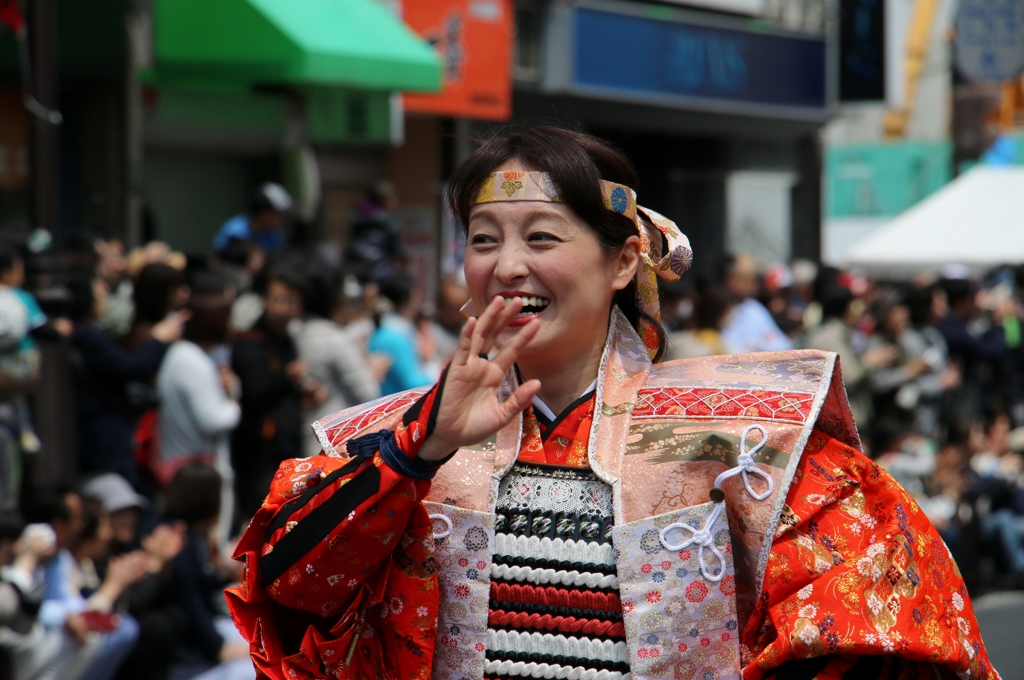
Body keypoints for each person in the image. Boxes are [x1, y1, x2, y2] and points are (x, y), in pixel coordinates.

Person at [226, 127, 995, 679]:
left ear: (624, 259)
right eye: (485, 239)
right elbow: (287, 594)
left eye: (544, 237)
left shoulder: (743, 435)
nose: (508, 266)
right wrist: (415, 453)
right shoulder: (390, 437)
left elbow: (870, 619)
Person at [67, 270, 186, 487]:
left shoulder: (86, 332)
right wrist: (158, 340)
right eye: (98, 290)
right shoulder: (85, 335)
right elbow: (132, 368)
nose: (104, 294)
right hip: (104, 435)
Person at [230, 267, 325, 525]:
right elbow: (255, 393)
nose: (282, 308)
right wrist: (287, 379)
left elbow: (284, 393)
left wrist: (304, 393)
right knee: (259, 519)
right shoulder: (249, 342)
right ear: (265, 300)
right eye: (276, 299)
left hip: (286, 446)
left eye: (290, 302)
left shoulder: (288, 340)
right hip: (259, 452)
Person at [156, 282, 241, 545]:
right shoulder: (192, 361)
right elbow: (213, 419)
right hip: (194, 474)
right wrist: (234, 404)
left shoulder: (186, 356)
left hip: (186, 469)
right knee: (202, 546)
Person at [163, 465, 252, 680]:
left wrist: (224, 572)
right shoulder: (177, 539)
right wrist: (219, 648)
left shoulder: (192, 534)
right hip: (188, 655)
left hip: (202, 636)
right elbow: (189, 601)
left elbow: (199, 584)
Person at [294, 267, 380, 458]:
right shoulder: (336, 338)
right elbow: (368, 393)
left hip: (305, 436)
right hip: (335, 442)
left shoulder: (296, 331)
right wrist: (373, 369)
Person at [367, 273, 432, 396]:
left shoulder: (388, 330)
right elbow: (413, 383)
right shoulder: (394, 335)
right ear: (410, 298)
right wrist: (440, 370)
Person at [719, 253, 793, 354]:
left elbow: (783, 345)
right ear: (731, 280)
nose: (754, 285)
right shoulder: (720, 308)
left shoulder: (753, 308)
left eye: (754, 280)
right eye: (746, 279)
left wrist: (757, 346)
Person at [343, 182, 404, 285]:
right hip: (378, 267)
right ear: (386, 200)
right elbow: (396, 249)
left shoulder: (357, 214)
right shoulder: (390, 221)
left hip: (353, 263)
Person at [213, 184, 292, 255]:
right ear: (263, 213)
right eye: (278, 215)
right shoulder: (234, 232)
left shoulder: (275, 234)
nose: (282, 220)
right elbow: (218, 261)